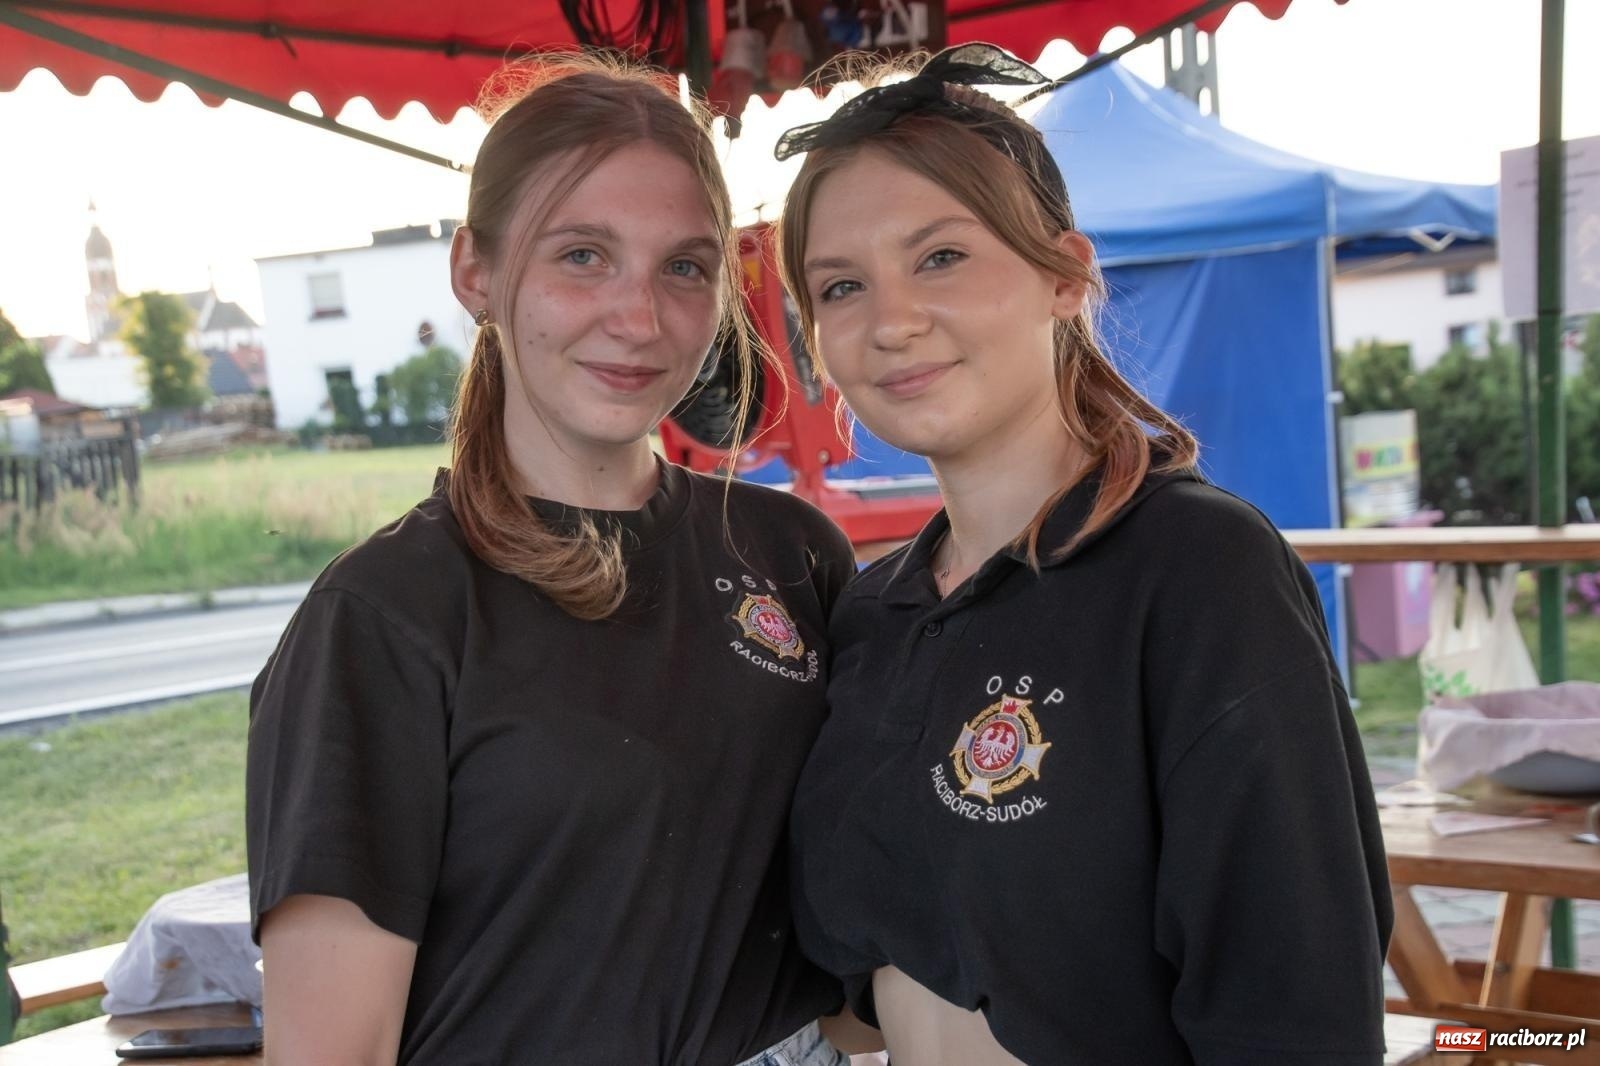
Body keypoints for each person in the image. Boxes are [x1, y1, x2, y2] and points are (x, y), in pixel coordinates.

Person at [776, 44, 1393, 1065]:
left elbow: (1298, 1016)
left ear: (1064, 275)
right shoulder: (870, 612)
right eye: (840, 285)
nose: (890, 321)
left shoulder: (1197, 572)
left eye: (940, 256)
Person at [246, 55, 860, 1065]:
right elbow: (331, 1049)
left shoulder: (791, 555)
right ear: (475, 271)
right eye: (582, 255)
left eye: (684, 266)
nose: (639, 317)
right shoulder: (388, 614)